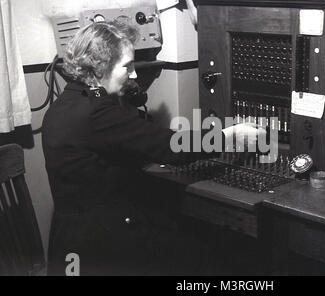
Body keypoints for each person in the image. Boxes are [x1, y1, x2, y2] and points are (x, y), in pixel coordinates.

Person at [42, 21, 264, 275]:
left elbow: (108, 150)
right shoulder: (97, 112)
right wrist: (228, 135)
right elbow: (170, 148)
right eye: (126, 66)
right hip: (103, 246)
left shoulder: (64, 104)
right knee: (211, 255)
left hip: (69, 241)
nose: (134, 74)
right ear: (100, 67)